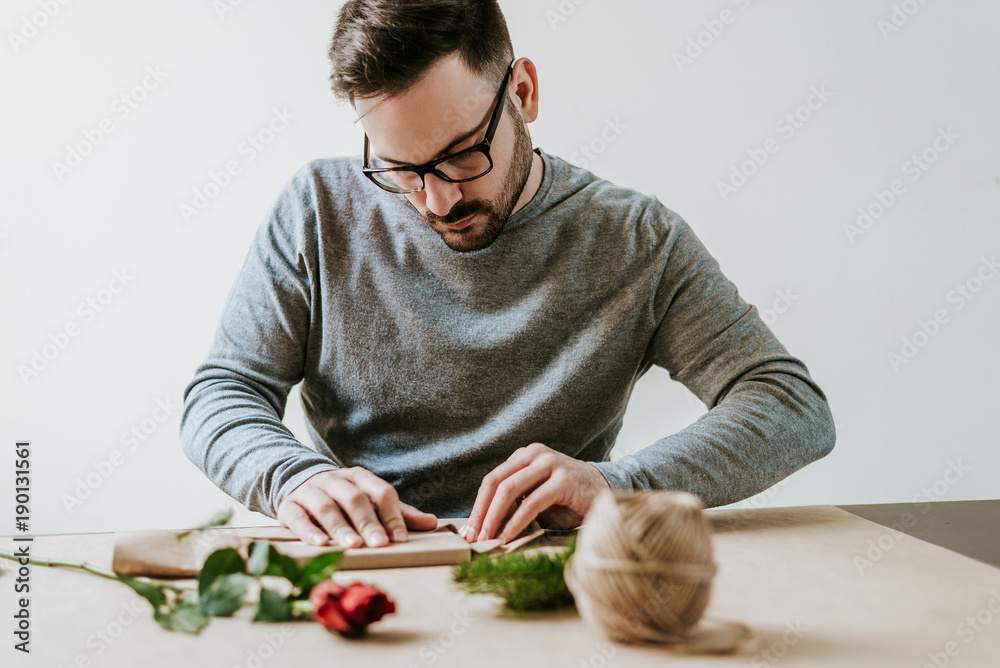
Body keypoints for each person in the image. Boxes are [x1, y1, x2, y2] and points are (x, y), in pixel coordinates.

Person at [180, 0, 836, 551]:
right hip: (363, 568)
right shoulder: (317, 209)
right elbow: (222, 393)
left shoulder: (636, 239)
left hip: (549, 577)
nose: (435, 201)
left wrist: (617, 486)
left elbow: (791, 408)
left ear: (522, 94)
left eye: (461, 155)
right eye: (400, 169)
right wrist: (293, 478)